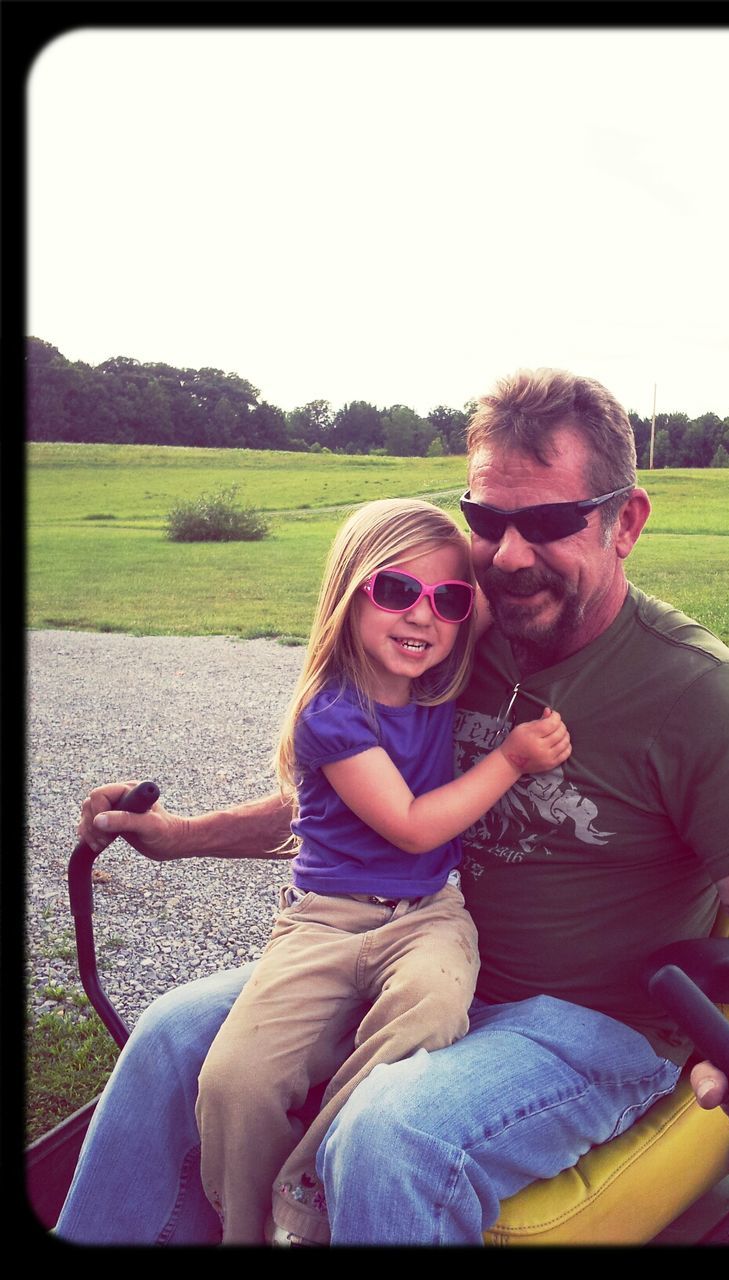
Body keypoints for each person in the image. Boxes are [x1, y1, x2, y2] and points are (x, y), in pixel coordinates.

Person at [56, 368, 729, 1247]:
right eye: (486, 520)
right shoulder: (454, 634)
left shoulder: (701, 697)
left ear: (624, 521)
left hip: (584, 1024)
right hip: (412, 960)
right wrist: (172, 838)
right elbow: (346, 805)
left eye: (551, 521)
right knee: (172, 1035)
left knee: (389, 1135)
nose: (509, 556)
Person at [193, 497, 571, 1243]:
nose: (423, 617)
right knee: (233, 1081)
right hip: (325, 920)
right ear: (348, 594)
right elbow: (410, 824)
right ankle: (242, 1228)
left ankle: (305, 1190)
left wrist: (515, 541)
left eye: (446, 599)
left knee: (432, 1005)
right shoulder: (332, 713)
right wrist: (511, 759)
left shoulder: (438, 674)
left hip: (429, 914)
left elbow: (506, 584)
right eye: (396, 591)